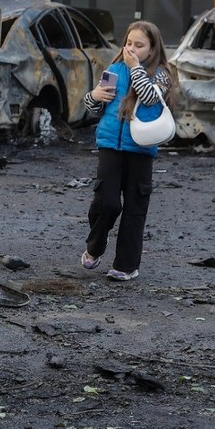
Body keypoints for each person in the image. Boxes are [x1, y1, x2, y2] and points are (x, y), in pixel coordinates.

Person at [80, 21, 175, 281]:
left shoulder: (162, 74)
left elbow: (149, 98)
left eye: (139, 45)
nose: (131, 49)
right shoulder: (114, 69)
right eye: (129, 43)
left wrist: (136, 70)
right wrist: (94, 96)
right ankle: (95, 246)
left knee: (135, 208)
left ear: (153, 49)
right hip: (111, 144)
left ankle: (125, 266)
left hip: (141, 148)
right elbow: (94, 108)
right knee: (106, 201)